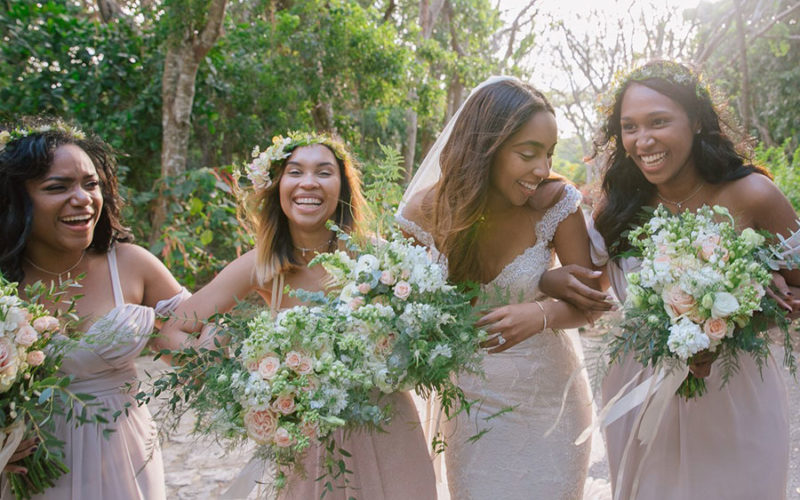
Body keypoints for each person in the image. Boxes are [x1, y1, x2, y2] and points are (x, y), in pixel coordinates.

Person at [540, 60, 800, 499]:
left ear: (696, 120)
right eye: (629, 127)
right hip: (640, 401)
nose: (643, 141)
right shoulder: (618, 210)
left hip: (734, 401)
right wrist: (548, 283)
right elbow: (587, 292)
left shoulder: (754, 196)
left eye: (658, 122)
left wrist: (747, 313)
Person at [160, 132, 436, 499]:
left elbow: (431, 332)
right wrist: (233, 376)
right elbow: (169, 334)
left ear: (342, 187)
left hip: (387, 431)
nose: (308, 182)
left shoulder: (380, 260)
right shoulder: (261, 266)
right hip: (308, 446)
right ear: (278, 187)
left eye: (324, 172)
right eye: (295, 172)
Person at [397, 77, 604, 499]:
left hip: (550, 404)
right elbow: (404, 313)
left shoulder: (556, 203)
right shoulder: (424, 213)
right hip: (470, 408)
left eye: (547, 154)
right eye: (528, 154)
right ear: (484, 148)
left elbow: (591, 304)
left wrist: (541, 312)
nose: (542, 169)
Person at [0, 120, 201, 499]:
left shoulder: (130, 264)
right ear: (16, 199)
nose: (83, 198)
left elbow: (196, 337)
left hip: (123, 459)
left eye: (91, 184)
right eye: (57, 187)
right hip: (35, 469)